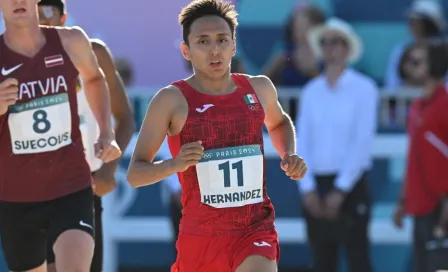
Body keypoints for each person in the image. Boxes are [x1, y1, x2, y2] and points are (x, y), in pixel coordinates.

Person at [126, 0, 307, 271]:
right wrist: (175, 164)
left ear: (234, 45)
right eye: (203, 42)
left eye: (222, 40)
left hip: (254, 229)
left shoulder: (259, 88)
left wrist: (288, 153)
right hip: (201, 238)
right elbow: (135, 173)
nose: (215, 50)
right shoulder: (170, 100)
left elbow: (279, 123)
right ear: (186, 51)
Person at [0, 0, 122, 271]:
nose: (18, 2)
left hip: (70, 187)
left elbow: (94, 78)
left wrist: (106, 131)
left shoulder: (71, 40)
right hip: (15, 198)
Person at [37, 0, 136, 271]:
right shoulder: (12, 58)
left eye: (48, 14)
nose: (42, 23)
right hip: (32, 189)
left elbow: (125, 119)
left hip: (83, 186)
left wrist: (108, 169)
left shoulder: (93, 53)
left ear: (64, 17)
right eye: (34, 15)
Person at [297, 18, 378, 272]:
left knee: (358, 259)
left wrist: (340, 190)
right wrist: (307, 188)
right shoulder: (310, 91)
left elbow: (361, 143)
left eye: (335, 41)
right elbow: (300, 140)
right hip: (317, 184)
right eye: (325, 42)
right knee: (322, 261)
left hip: (351, 185)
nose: (329, 47)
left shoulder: (365, 89)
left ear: (346, 48)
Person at [392, 41, 448, 272]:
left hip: (441, 207)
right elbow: (414, 157)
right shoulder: (416, 106)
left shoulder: (445, 103)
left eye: (416, 61)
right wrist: (403, 201)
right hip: (421, 208)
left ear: (434, 64)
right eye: (408, 60)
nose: (408, 66)